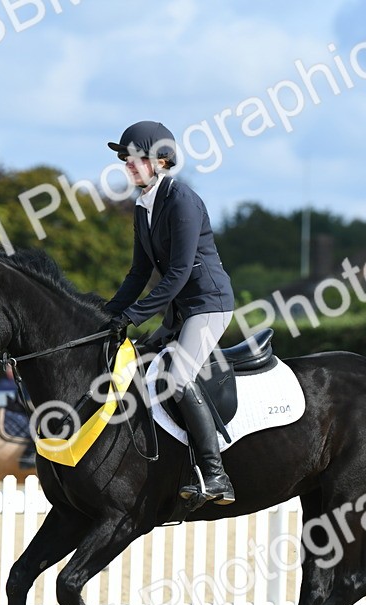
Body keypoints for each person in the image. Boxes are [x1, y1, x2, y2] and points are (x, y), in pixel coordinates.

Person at [103, 121, 237, 506]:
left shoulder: (182, 201)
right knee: (142, 365)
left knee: (178, 377)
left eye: (136, 159)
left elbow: (178, 273)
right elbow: (139, 273)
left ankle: (216, 475)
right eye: (125, 159)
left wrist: (134, 315)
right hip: (181, 309)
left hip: (209, 303)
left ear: (160, 161)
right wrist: (108, 315)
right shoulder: (142, 207)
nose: (128, 165)